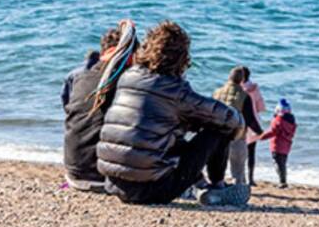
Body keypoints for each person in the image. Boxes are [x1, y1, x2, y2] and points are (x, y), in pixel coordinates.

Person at [97, 20, 249, 206]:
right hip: (152, 189)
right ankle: (217, 188)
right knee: (218, 129)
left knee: (163, 132)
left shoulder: (127, 77)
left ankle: (200, 184)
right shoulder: (175, 90)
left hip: (113, 183)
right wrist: (239, 129)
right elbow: (229, 119)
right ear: (182, 57)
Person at [61, 19, 137, 192]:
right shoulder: (129, 83)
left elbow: (68, 110)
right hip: (106, 177)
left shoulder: (76, 76)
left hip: (74, 171)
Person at [213, 66, 263, 185]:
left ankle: (218, 187)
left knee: (218, 168)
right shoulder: (244, 96)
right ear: (242, 80)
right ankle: (237, 190)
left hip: (218, 136)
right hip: (237, 136)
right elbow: (249, 118)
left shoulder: (217, 93)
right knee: (238, 170)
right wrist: (259, 131)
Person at [258, 99, 297, 188]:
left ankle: (282, 182)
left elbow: (273, 132)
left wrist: (261, 137)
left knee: (277, 163)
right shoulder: (292, 123)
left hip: (277, 146)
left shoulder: (278, 120)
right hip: (286, 146)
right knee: (282, 163)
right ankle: (283, 180)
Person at [241, 66, 266, 186]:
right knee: (251, 152)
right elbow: (260, 106)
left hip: (239, 122)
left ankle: (240, 177)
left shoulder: (236, 88)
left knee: (237, 151)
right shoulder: (254, 88)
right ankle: (250, 178)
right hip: (253, 122)